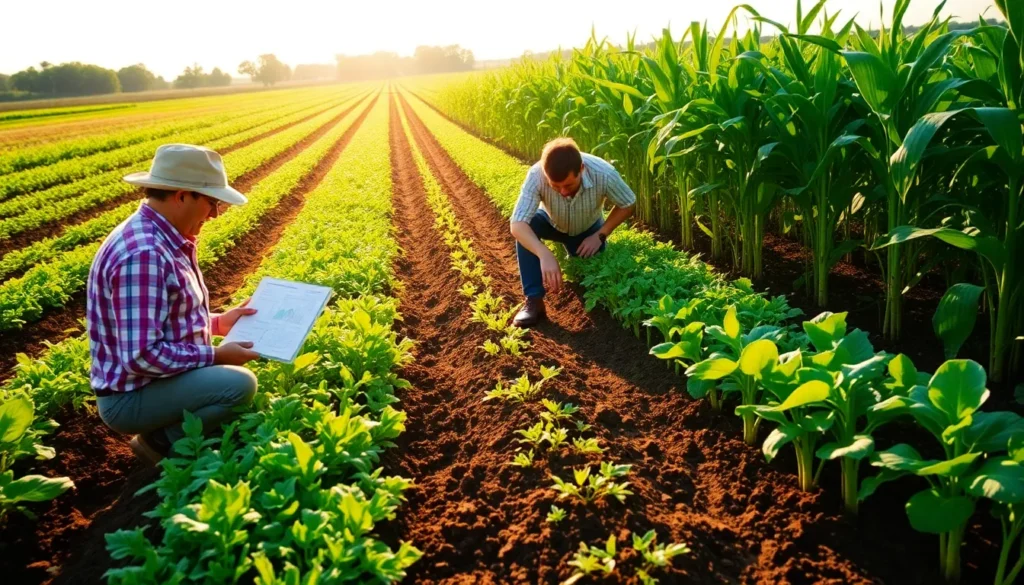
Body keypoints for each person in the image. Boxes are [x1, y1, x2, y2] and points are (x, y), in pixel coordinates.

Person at [87, 143, 261, 465]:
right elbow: (142, 355)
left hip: (150, 382)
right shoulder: (145, 254)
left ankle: (172, 428)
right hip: (131, 397)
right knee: (238, 385)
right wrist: (217, 355)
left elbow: (167, 318)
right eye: (212, 202)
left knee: (230, 380)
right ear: (183, 196)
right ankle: (161, 441)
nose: (215, 214)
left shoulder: (161, 235)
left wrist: (219, 323)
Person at [509, 138, 636, 327]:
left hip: (588, 229)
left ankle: (576, 252)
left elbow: (628, 203)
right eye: (555, 186)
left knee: (591, 266)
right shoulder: (536, 175)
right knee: (528, 229)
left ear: (581, 169)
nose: (562, 192)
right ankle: (533, 301)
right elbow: (517, 224)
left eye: (568, 185)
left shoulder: (604, 173)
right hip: (551, 223)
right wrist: (543, 253)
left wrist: (600, 235)